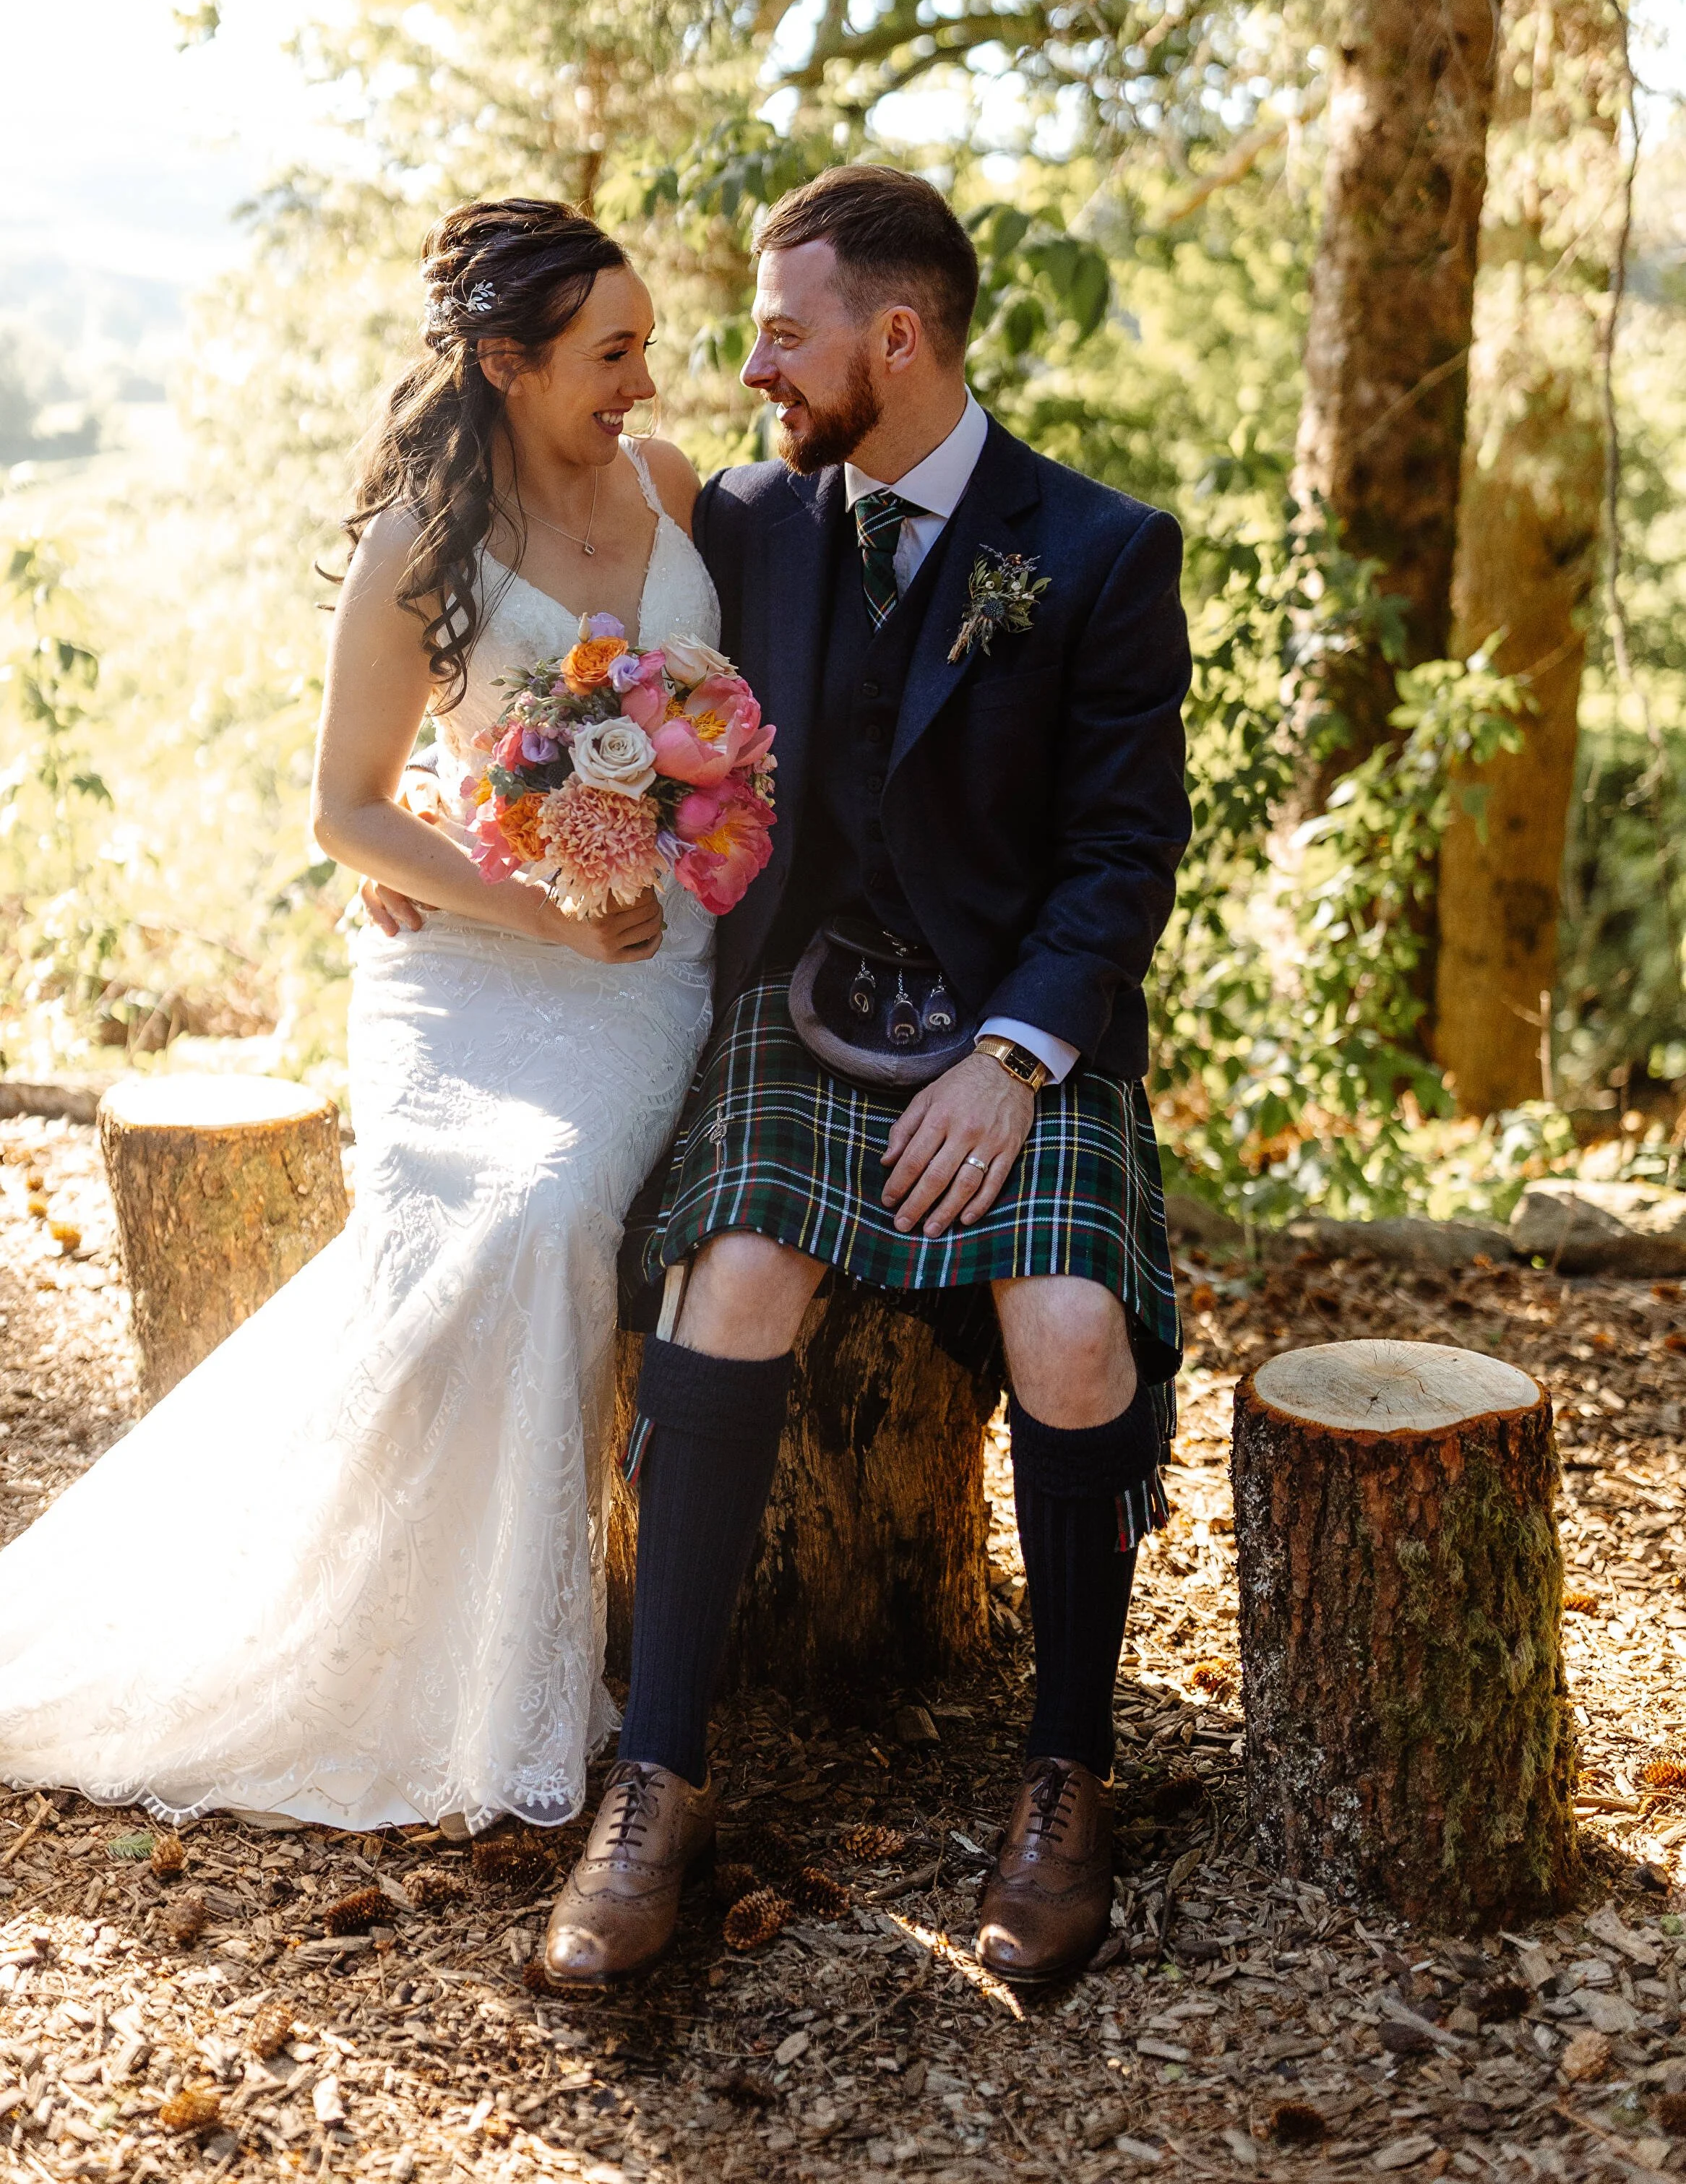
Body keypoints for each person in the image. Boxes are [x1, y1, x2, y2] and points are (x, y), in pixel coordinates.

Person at [541, 165, 1191, 1988]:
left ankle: (1068, 1772)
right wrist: (446, 822)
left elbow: (1124, 855)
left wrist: (1011, 1057)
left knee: (1070, 1327)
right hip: (807, 1004)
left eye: (780, 331)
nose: (752, 368)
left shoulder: (1095, 550)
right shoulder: (755, 515)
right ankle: (660, 1776)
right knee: (733, 1280)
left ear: (892, 339)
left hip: (1010, 1024)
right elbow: (549, 539)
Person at [0, 197, 720, 1832]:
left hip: (647, 964)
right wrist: (527, 898)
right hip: (472, 957)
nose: (642, 379)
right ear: (506, 363)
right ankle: (389, 1650)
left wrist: (660, 867)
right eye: (612, 352)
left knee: (546, 1219)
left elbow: (731, 731)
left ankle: (496, 1667)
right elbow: (350, 810)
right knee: (476, 1220)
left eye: (647, 347)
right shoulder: (421, 550)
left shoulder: (673, 490)